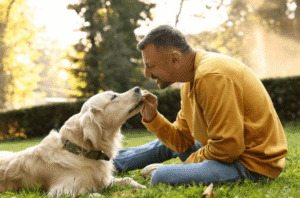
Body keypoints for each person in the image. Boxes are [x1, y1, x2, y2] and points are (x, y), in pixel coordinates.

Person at [114, 25, 287, 186]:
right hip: (228, 153)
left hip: (251, 164)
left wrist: (185, 167)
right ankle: (110, 161)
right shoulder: (190, 81)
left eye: (150, 66)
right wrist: (153, 118)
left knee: (161, 176)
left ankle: (160, 171)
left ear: (174, 59)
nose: (146, 74)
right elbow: (182, 140)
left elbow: (228, 148)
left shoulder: (211, 75)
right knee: (164, 144)